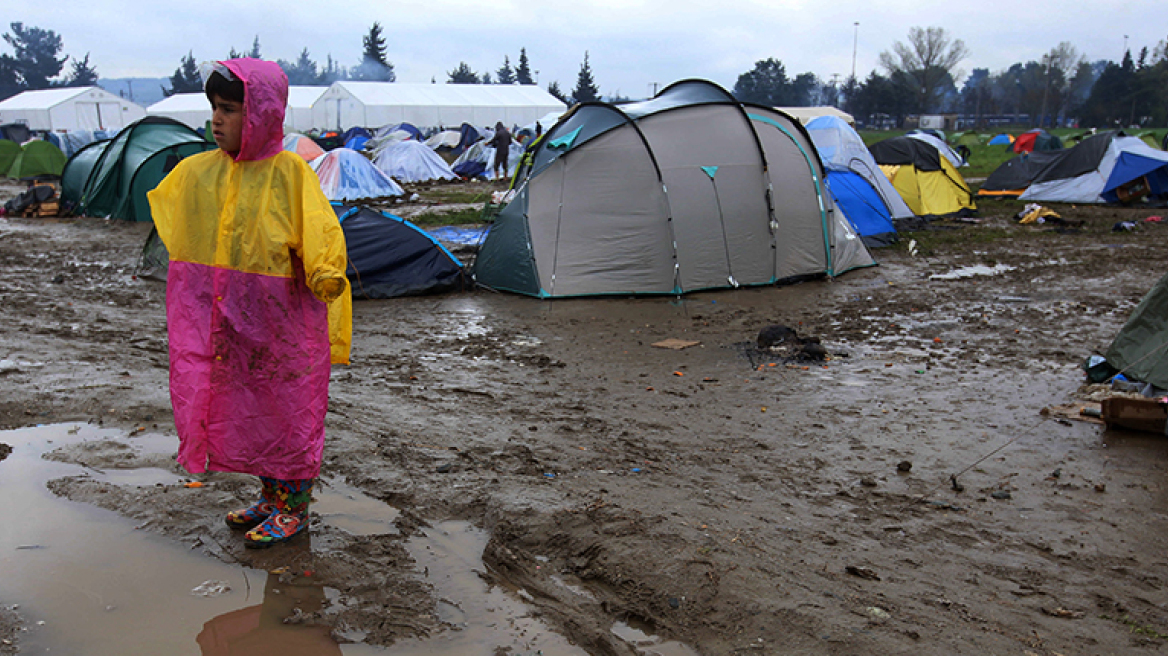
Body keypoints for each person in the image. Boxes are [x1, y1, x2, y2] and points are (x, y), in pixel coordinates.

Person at [147, 58, 352, 549]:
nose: (217, 120)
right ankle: (270, 497)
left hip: (282, 324)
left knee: (287, 414)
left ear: (260, 114)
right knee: (247, 410)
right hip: (228, 322)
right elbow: (178, 221)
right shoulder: (200, 173)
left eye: (230, 109)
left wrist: (324, 271)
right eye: (214, 108)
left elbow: (320, 229)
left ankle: (293, 509)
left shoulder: (290, 175)